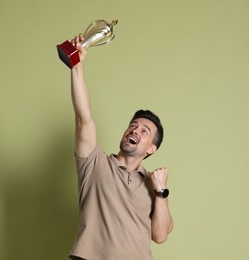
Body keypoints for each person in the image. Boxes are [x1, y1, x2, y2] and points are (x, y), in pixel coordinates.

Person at [68, 34, 173, 260]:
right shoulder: (94, 163)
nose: (135, 130)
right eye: (133, 126)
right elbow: (83, 119)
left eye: (144, 131)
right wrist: (76, 65)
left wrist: (161, 192)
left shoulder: (152, 184)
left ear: (151, 149)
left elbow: (160, 235)